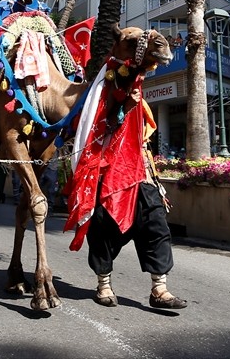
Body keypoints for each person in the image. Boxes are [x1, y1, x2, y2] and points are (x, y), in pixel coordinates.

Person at [64, 51, 187, 310]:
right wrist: (124, 108)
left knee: (156, 225)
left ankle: (159, 289)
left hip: (141, 173)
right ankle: (104, 284)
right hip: (109, 174)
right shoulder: (101, 96)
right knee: (103, 229)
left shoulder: (140, 100)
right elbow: (98, 129)